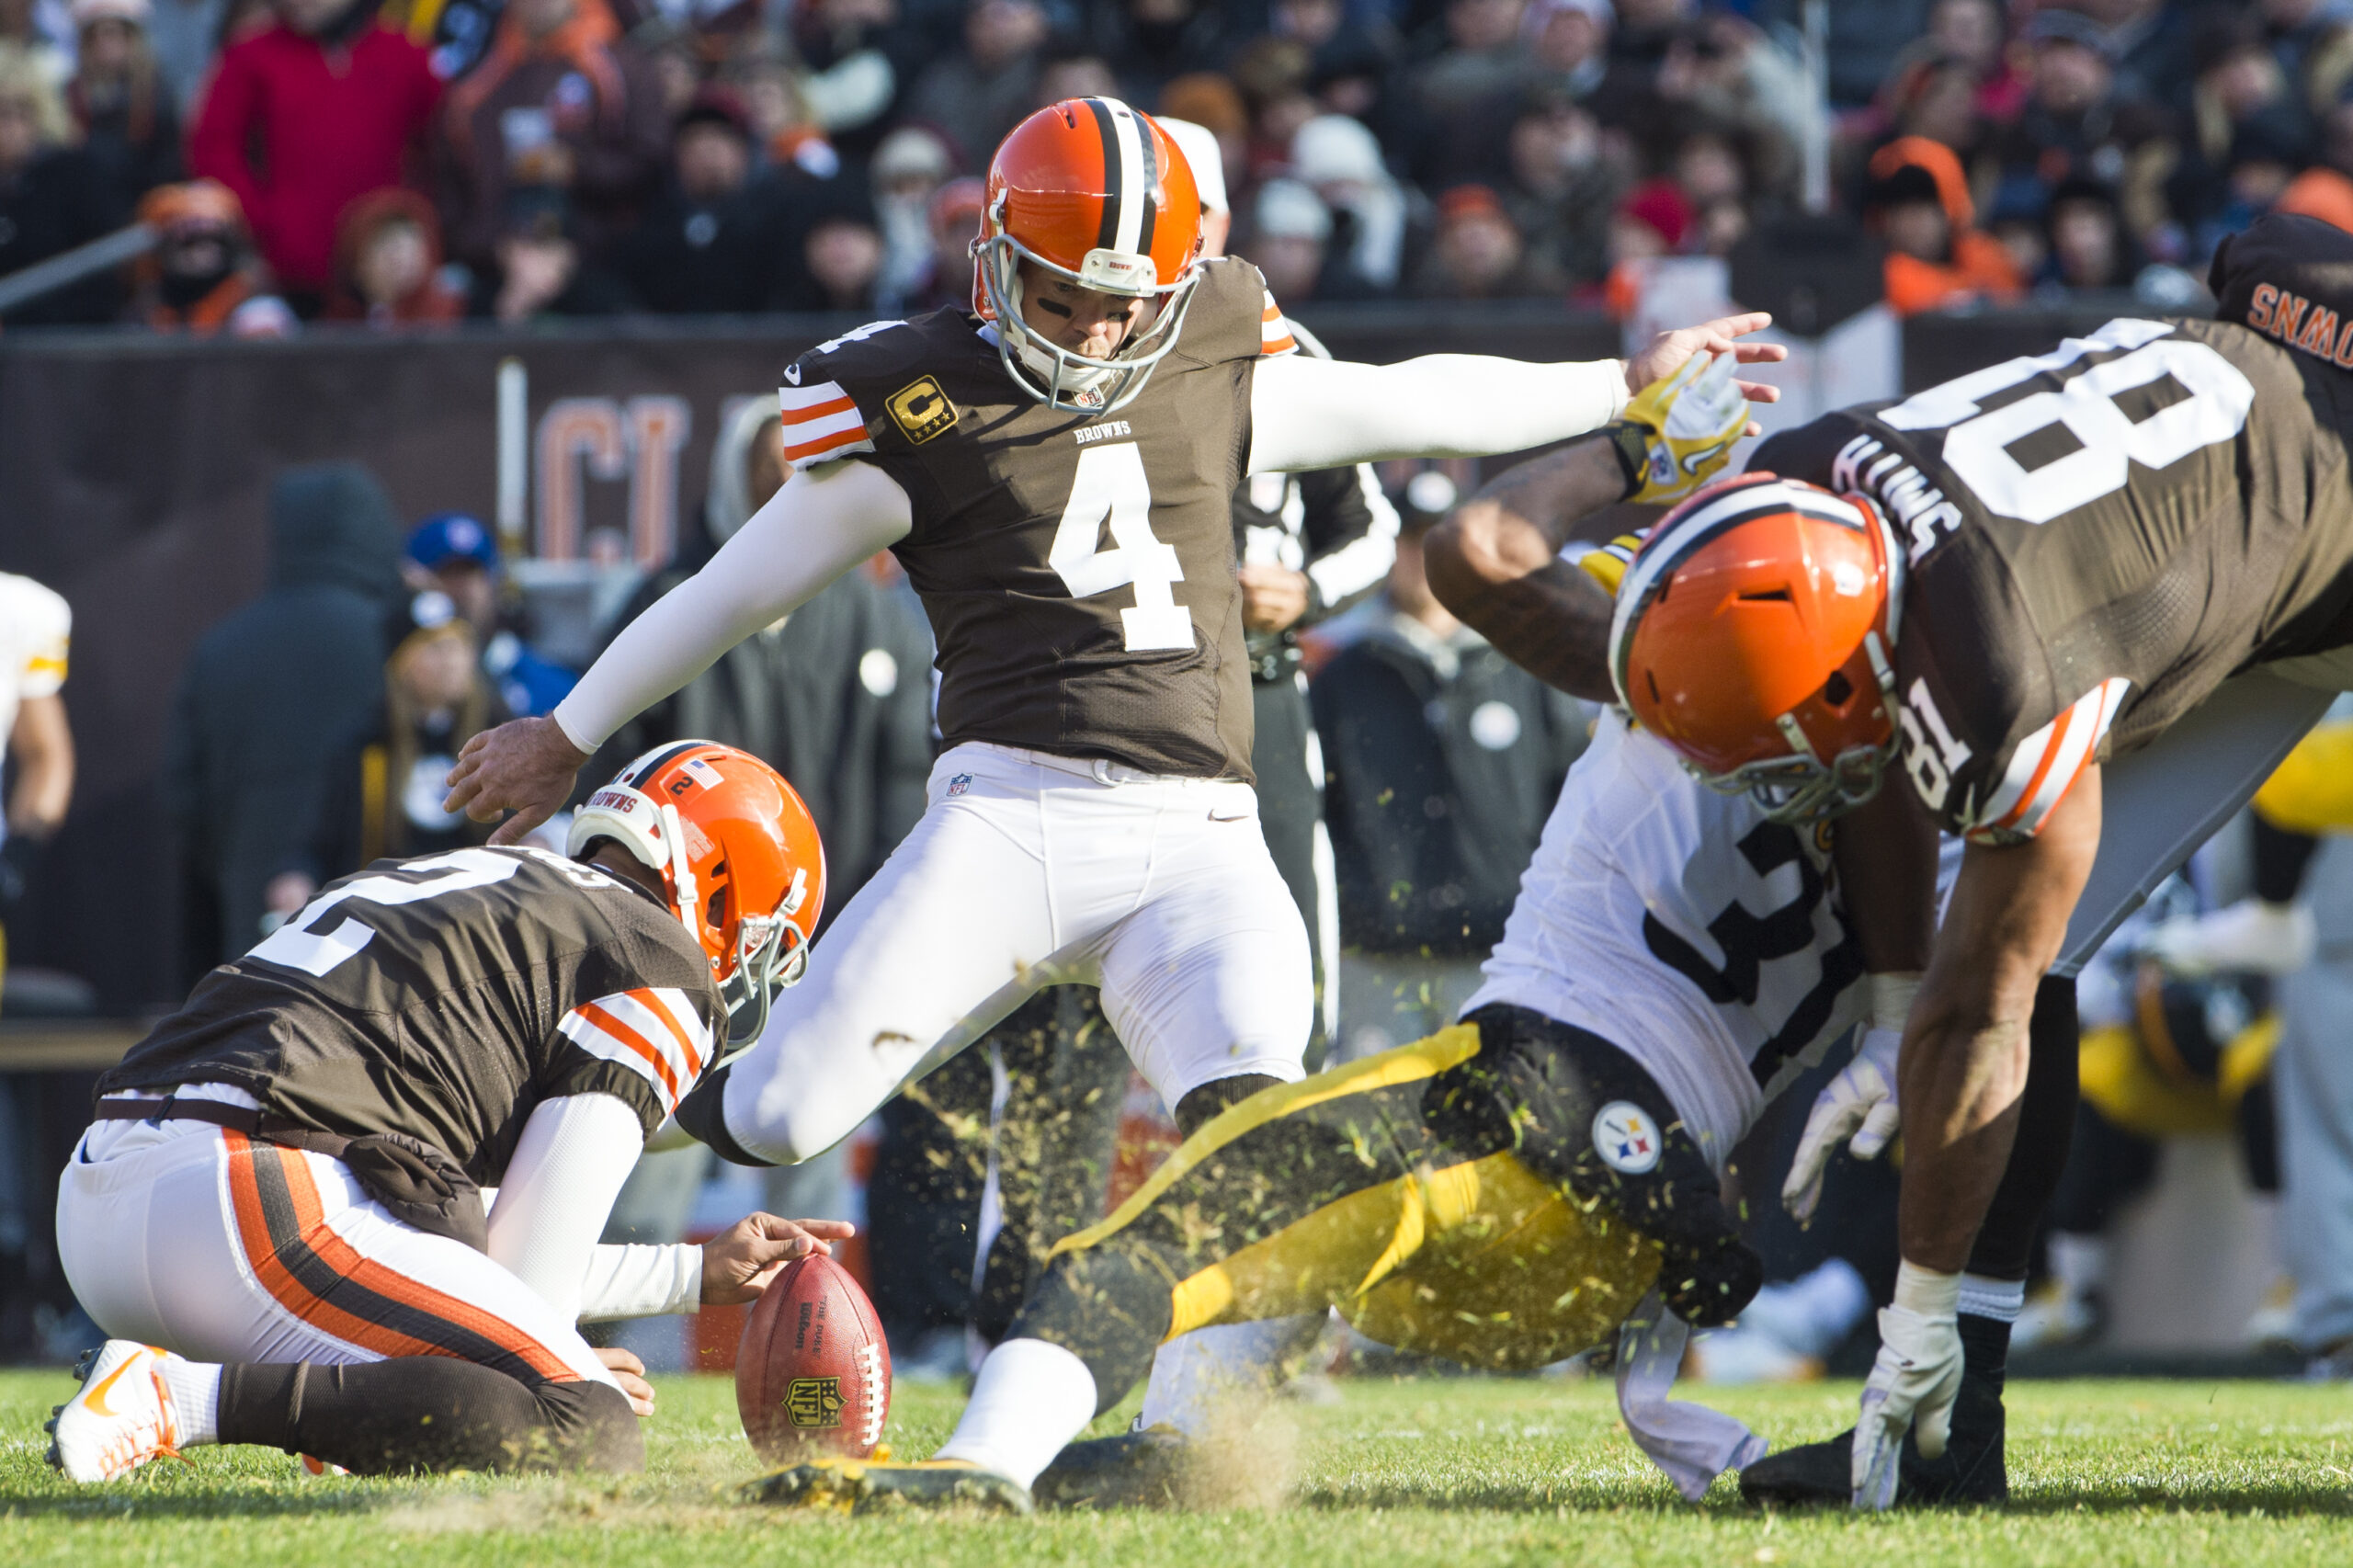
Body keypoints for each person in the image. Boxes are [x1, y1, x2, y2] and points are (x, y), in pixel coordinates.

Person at [441, 97, 1786, 1238]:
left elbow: (1415, 392)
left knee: (1252, 1114)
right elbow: (732, 587)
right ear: (994, 255)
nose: (1091, 331)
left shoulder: (1213, 354)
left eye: (1121, 305)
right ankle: (527, 1123)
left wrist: (1623, 383)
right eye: (1064, 296)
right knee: (781, 1109)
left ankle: (1191, 1427)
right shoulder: (922, 399)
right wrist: (573, 723)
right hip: (1009, 820)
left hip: (1203, 835)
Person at [752, 610, 1935, 1512]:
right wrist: (1889, 1020)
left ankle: (981, 1464)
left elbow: (1486, 542)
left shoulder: (1661, 672)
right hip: (1625, 1256)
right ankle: (1192, 1447)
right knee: (1291, 1233)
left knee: (1194, 1211)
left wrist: (1629, 431)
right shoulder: (1909, 818)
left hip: (1508, 1123)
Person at [1538, 210, 2353, 1507]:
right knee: (2045, 954)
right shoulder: (1804, 471)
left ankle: (1936, 1379)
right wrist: (1884, 1004)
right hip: (2225, 494)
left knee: (2013, 969)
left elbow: (1980, 1011)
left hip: (2260, 537)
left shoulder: (2001, 672)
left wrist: (1908, 1317)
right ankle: (1951, 1432)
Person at [45, 744, 840, 1482]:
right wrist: (561, 1362)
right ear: (723, 893)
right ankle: (175, 1400)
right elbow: (532, 1271)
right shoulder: (651, 955)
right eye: (763, 945)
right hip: (252, 1204)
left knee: (452, 1235)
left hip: (106, 1198)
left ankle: (341, 1405)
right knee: (583, 1424)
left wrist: (691, 1274)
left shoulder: (474, 877)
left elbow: (491, 1243)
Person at [1313, 507, 1589, 1061]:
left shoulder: (1522, 667)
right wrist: (1356, 908)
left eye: (1438, 542)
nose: (1423, 562)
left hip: (1506, 956)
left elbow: (1575, 798)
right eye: (1411, 542)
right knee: (1375, 1130)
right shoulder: (1345, 676)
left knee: (1502, 1126)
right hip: (1379, 960)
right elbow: (1316, 807)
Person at [165, 464, 405, 981]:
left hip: (256, 911)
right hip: (393, 922)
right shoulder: (402, 648)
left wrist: (239, 870)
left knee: (260, 1047)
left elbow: (185, 794)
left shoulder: (221, 649)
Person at [263, 589, 508, 924]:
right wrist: (295, 876)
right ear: (401, 665)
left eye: (458, 645)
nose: (450, 659)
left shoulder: (502, 734)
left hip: (482, 914)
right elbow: (317, 841)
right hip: (385, 919)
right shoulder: (364, 744)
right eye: (434, 648)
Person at [186, 0, 441, 313]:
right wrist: (260, 220)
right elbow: (213, 147)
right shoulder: (252, 55)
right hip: (288, 278)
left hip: (385, 276)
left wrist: (411, 220)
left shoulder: (406, 54)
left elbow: (442, 152)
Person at [435, 0, 667, 272]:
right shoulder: (480, 77)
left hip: (598, 263)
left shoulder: (618, 65)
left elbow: (651, 160)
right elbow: (448, 179)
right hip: (494, 265)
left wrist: (576, 167)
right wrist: (489, 246)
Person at [404, 512, 576, 720]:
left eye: (472, 573)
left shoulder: (537, 681)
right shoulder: (387, 680)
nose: (462, 589)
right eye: (447, 574)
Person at [127, 179, 297, 335]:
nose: (199, 243)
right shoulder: (149, 306)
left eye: (210, 229)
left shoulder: (259, 311)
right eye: (185, 230)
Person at [322, 187, 466, 326]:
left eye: (409, 244)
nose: (399, 258)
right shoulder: (343, 323)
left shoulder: (454, 317)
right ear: (358, 264)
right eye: (386, 245)